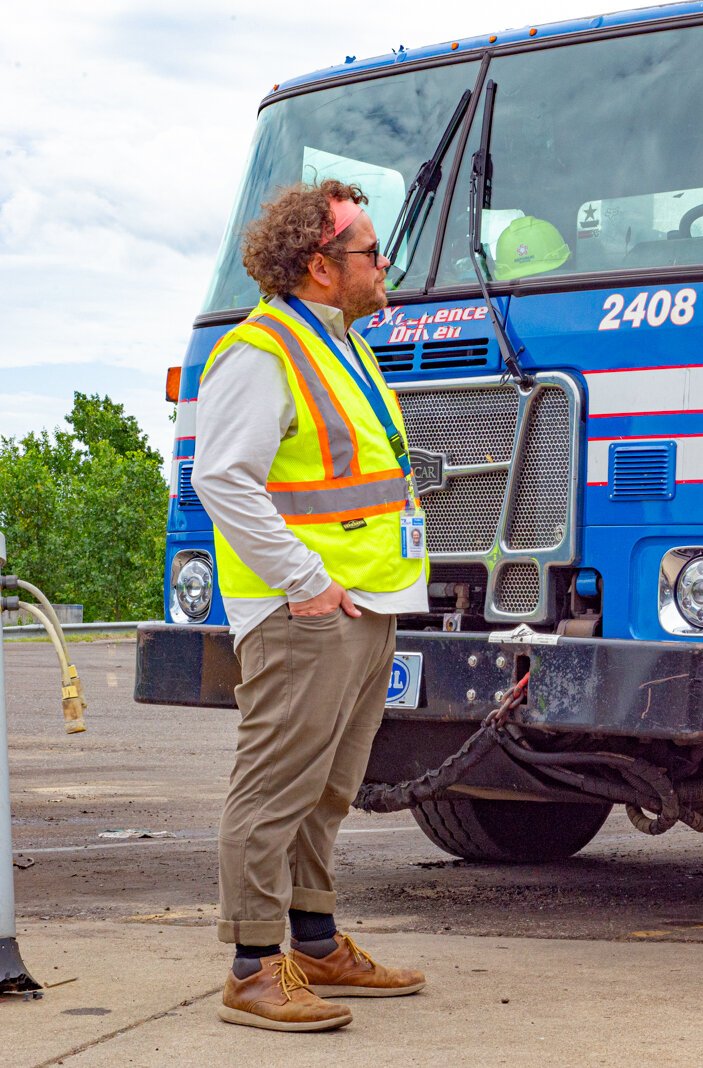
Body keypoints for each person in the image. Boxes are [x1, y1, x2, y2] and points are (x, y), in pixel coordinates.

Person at [193, 180, 429, 1031]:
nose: (385, 264)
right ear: (323, 266)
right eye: (371, 250)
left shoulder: (340, 342)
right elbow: (222, 480)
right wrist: (306, 583)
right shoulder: (263, 351)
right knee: (274, 789)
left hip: (361, 603)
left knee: (328, 787)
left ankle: (316, 942)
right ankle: (254, 967)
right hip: (306, 613)